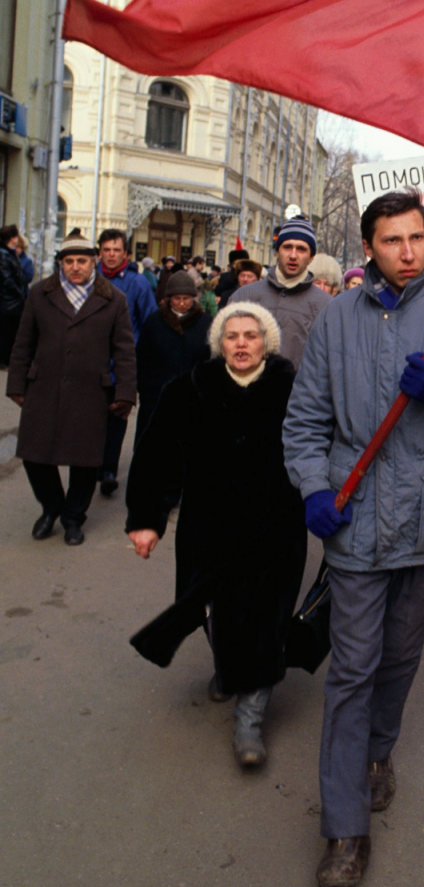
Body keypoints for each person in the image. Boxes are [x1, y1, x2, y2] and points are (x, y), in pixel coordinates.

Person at [283, 188, 424, 887]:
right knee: (353, 666)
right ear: (369, 247)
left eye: (416, 237)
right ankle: (344, 827)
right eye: (392, 240)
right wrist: (314, 487)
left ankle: (380, 751)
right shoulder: (335, 318)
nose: (407, 252)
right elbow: (305, 421)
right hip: (354, 516)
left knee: (400, 654)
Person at [126, 303, 307, 769]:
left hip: (276, 528)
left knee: (267, 620)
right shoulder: (187, 391)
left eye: (251, 335)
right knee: (211, 610)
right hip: (207, 530)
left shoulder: (296, 392)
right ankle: (228, 666)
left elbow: (322, 446)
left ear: (267, 343)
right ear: (219, 343)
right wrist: (146, 519)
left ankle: (249, 720)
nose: (241, 343)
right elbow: (155, 457)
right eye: (232, 335)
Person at [6, 234, 136, 545]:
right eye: (69, 261)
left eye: (82, 261)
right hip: (44, 386)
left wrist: (125, 392)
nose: (75, 267)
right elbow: (23, 342)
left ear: (94, 262)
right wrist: (16, 383)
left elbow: (124, 351)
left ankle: (73, 518)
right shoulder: (40, 294)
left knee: (85, 460)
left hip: (91, 391)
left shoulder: (114, 299)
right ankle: (51, 507)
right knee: (34, 455)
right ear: (60, 264)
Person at [96, 229, 157, 496]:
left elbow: (149, 321)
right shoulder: (89, 277)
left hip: (122, 364)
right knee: (89, 418)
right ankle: (92, 464)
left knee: (116, 417)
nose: (111, 255)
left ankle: (109, 469)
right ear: (100, 252)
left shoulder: (138, 283)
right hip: (91, 363)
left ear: (126, 254)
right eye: (106, 250)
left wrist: (140, 361)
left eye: (116, 250)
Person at [229, 217, 330, 369]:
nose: (293, 255)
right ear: (277, 251)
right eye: (287, 247)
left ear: (311, 257)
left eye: (301, 249)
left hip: (299, 384)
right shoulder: (244, 297)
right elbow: (224, 348)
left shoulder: (325, 305)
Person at [135, 270, 212, 442]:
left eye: (186, 298)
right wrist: (145, 389)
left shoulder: (206, 323)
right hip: (157, 397)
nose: (182, 303)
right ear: (169, 299)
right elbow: (142, 358)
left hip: (194, 398)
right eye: (177, 298)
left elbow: (210, 360)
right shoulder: (154, 322)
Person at [0, 223, 26, 369]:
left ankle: (6, 359)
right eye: (16, 236)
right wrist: (18, 292)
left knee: (11, 331)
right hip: (8, 302)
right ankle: (4, 360)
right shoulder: (4, 255)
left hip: (12, 301)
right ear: (12, 238)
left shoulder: (9, 253)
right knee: (7, 331)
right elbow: (6, 279)